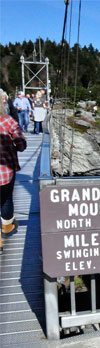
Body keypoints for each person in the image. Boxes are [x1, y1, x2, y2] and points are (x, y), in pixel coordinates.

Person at [0, 96, 27, 255]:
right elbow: (22, 145)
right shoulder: (8, 121)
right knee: (6, 199)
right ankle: (7, 226)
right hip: (5, 172)